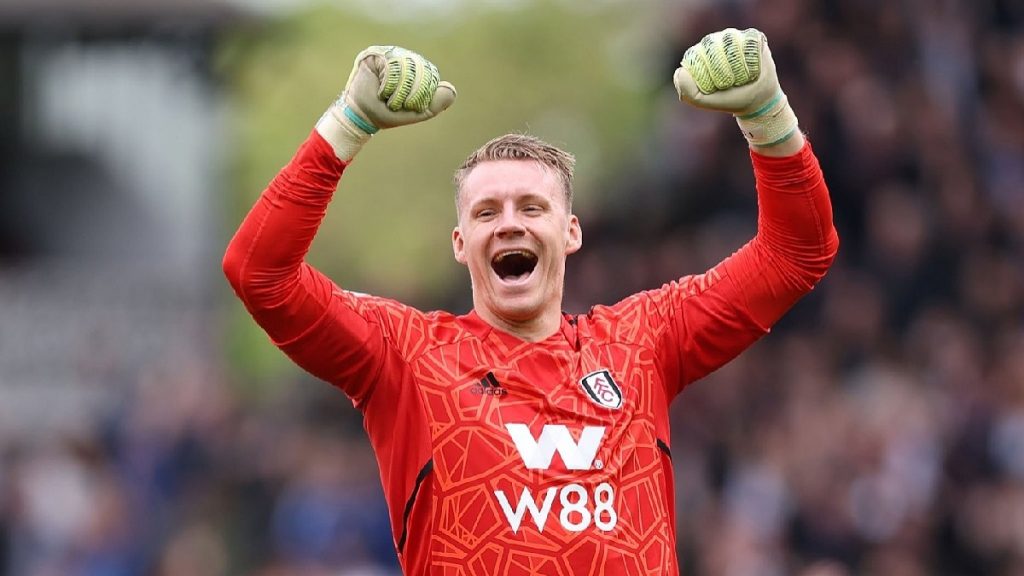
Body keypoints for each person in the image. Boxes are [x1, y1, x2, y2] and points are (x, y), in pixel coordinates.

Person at [224, 28, 839, 575]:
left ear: (570, 232)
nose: (509, 224)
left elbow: (798, 251)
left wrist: (768, 114)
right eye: (487, 212)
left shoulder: (641, 341)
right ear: (461, 244)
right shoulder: (406, 356)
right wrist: (348, 123)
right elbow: (260, 274)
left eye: (532, 207)